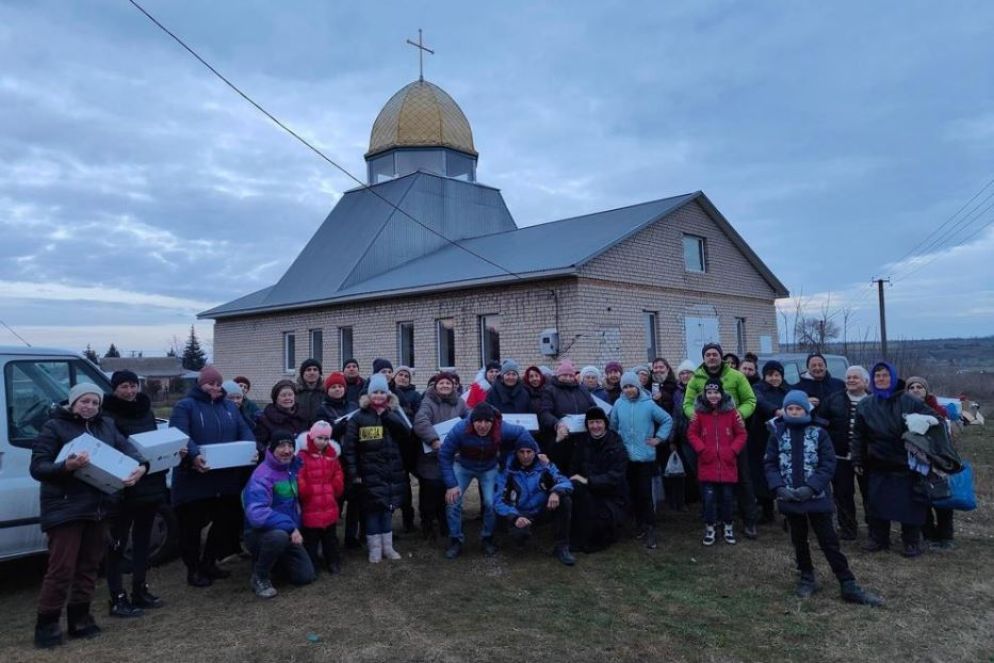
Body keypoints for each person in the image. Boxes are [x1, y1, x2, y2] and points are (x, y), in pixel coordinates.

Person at [30, 383, 147, 648]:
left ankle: (80, 619)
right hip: (65, 508)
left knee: (89, 567)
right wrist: (66, 466)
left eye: (95, 402)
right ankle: (47, 625)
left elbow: (129, 450)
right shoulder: (53, 427)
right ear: (73, 403)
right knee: (61, 569)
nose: (90, 407)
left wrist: (140, 467)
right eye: (85, 401)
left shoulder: (106, 425)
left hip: (99, 507)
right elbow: (39, 467)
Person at [763, 391, 884, 606]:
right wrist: (779, 488)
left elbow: (828, 464)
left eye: (798, 408)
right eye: (790, 408)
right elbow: (770, 463)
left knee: (828, 541)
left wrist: (811, 488)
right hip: (789, 497)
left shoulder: (819, 433)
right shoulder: (777, 434)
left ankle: (847, 582)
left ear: (806, 410)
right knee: (799, 539)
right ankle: (807, 576)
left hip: (816, 497)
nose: (794, 412)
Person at [170, 366, 255, 588]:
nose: (215, 388)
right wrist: (195, 455)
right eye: (210, 384)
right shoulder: (185, 406)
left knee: (224, 521)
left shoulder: (229, 407)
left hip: (225, 477)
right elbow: (180, 435)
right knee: (192, 526)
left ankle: (210, 562)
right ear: (200, 384)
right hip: (195, 476)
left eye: (218, 384)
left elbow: (244, 430)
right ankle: (193, 568)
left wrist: (250, 447)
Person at [852, 362, 937, 558]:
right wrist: (857, 459)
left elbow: (934, 420)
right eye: (877, 376)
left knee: (910, 505)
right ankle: (879, 539)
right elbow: (858, 435)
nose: (881, 379)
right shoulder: (866, 404)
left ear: (893, 377)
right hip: (878, 462)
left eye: (885, 375)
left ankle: (911, 542)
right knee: (877, 504)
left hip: (906, 463)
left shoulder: (909, 401)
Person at [102, 371, 168, 618]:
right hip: (123, 485)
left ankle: (140, 588)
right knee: (118, 544)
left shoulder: (146, 411)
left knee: (143, 542)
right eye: (124, 387)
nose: (130, 391)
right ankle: (117, 596)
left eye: (133, 386)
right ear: (115, 389)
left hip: (150, 481)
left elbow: (155, 442)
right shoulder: (107, 415)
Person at [439, 403, 537, 559]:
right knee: (453, 500)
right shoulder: (460, 428)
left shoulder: (502, 428)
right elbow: (444, 455)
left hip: (489, 467)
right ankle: (455, 540)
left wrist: (537, 452)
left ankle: (487, 538)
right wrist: (451, 485)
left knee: (492, 503)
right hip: (463, 465)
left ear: (493, 422)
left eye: (487, 422)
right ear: (472, 421)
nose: (483, 426)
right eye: (479, 421)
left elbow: (522, 433)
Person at [682, 343, 757, 537]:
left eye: (715, 354)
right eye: (708, 354)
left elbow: (750, 400)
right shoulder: (696, 378)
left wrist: (740, 413)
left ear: (721, 357)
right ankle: (711, 518)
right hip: (708, 439)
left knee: (744, 478)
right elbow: (688, 403)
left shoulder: (736, 376)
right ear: (704, 358)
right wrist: (693, 416)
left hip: (732, 436)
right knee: (708, 480)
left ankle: (749, 520)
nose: (712, 357)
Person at [342, 374, 410, 563]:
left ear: (388, 394)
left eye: (382, 392)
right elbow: (350, 447)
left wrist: (388, 416)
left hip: (390, 470)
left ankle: (388, 547)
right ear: (369, 395)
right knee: (372, 510)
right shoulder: (358, 418)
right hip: (368, 472)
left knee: (387, 509)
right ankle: (374, 548)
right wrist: (354, 473)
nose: (379, 396)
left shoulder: (394, 414)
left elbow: (406, 435)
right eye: (375, 392)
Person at [243, 429, 316, 598]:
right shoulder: (262, 475)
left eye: (290, 445)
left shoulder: (294, 468)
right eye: (281, 446)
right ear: (271, 448)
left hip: (289, 532)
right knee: (278, 537)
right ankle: (259, 576)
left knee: (305, 576)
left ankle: (274, 561)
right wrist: (291, 528)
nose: (286, 450)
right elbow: (257, 514)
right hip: (261, 533)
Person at [609, 371, 672, 549]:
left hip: (645, 457)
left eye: (632, 386)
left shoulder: (649, 404)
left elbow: (667, 419)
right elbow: (613, 426)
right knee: (631, 492)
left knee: (645, 494)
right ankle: (639, 524)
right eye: (626, 387)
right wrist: (617, 443)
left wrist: (659, 438)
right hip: (626, 458)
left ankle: (650, 526)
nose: (629, 390)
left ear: (638, 387)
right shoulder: (619, 404)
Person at [494, 437, 576, 566]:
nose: (525, 456)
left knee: (565, 500)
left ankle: (562, 547)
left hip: (542, 510)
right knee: (519, 537)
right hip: (520, 513)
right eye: (521, 452)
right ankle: (515, 535)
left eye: (529, 452)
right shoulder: (507, 470)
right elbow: (498, 500)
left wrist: (556, 492)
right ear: (516, 453)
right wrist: (515, 517)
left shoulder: (545, 465)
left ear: (535, 452)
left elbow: (566, 482)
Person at [687, 379, 747, 546]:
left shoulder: (731, 413)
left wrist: (732, 450)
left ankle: (728, 525)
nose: (713, 396)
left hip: (728, 464)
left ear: (722, 394)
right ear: (705, 394)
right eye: (710, 392)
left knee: (727, 498)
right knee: (709, 498)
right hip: (707, 463)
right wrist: (701, 449)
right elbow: (692, 434)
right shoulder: (699, 414)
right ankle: (710, 526)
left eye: (716, 392)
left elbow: (741, 434)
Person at [413, 371, 468, 541]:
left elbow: (468, 420)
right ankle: (427, 525)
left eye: (448, 383)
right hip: (430, 457)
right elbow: (421, 422)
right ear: (435, 386)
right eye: (441, 383)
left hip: (452, 456)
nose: (445, 386)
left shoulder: (459, 403)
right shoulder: (428, 402)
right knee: (430, 491)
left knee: (448, 490)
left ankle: (446, 524)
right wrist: (435, 441)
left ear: (453, 386)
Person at [905, 376, 956, 550]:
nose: (916, 389)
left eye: (920, 387)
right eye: (911, 387)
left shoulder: (938, 410)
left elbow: (948, 435)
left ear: (926, 391)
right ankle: (929, 535)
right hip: (914, 462)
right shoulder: (903, 410)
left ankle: (946, 536)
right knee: (921, 500)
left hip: (938, 461)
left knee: (943, 500)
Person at [821, 366, 871, 540]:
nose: (850, 380)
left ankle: (875, 529)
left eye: (855, 378)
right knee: (843, 494)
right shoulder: (833, 399)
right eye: (848, 377)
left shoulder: (874, 401)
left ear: (865, 382)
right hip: (840, 456)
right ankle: (848, 528)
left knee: (869, 494)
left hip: (867, 458)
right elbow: (820, 422)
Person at [569, 407, 629, 552]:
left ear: (605, 423)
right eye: (591, 423)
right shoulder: (582, 443)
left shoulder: (615, 443)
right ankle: (578, 540)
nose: (595, 426)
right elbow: (574, 468)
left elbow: (616, 475)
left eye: (598, 422)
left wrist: (589, 481)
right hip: (587, 489)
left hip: (612, 493)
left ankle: (597, 540)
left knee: (599, 512)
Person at [315, 371, 361, 548]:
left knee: (355, 501)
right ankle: (331, 538)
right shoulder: (323, 409)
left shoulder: (353, 406)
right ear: (327, 390)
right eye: (333, 387)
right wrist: (336, 429)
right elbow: (318, 435)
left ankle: (351, 537)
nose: (337, 389)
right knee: (336, 499)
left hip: (353, 457)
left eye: (340, 386)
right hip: (333, 461)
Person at [296, 421, 345, 574]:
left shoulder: (331, 456)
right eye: (320, 438)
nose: (323, 442)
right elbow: (299, 476)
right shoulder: (302, 456)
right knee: (311, 538)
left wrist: (336, 486)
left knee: (330, 537)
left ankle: (333, 561)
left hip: (329, 502)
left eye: (326, 439)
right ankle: (312, 563)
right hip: (311, 504)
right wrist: (306, 491)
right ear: (312, 436)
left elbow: (338, 472)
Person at [748, 361, 790, 525]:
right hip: (761, 438)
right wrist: (776, 411)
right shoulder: (758, 389)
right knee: (762, 474)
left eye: (777, 375)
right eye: (770, 375)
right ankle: (766, 511)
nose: (774, 378)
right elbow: (758, 402)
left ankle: (788, 512)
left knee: (785, 473)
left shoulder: (788, 390)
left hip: (785, 439)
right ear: (765, 376)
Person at [539, 360, 596, 475]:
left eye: (570, 375)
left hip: (582, 441)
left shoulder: (582, 390)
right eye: (564, 375)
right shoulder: (549, 390)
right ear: (558, 375)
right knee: (562, 474)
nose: (568, 378)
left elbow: (593, 408)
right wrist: (557, 424)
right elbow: (544, 413)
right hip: (561, 441)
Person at [391, 365, 421, 533]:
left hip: (411, 444)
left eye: (406, 376)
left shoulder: (415, 395)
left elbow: (419, 414)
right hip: (395, 445)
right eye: (400, 375)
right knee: (401, 482)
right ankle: (399, 514)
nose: (403, 378)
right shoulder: (389, 393)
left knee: (409, 482)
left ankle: (409, 518)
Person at [255, 380, 309, 458]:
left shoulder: (303, 414)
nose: (287, 398)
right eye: (283, 395)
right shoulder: (265, 419)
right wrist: (270, 453)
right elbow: (259, 443)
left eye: (290, 395)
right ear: (276, 399)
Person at [796, 353, 845, 419]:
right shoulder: (797, 388)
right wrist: (803, 402)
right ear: (808, 368)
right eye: (813, 365)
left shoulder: (839, 384)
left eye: (820, 365)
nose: (817, 368)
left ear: (825, 366)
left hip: (835, 426)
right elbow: (790, 408)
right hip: (809, 426)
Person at [296, 358, 325, 425]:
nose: (312, 372)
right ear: (302, 374)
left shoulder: (326, 393)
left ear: (319, 373)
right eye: (308, 370)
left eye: (315, 370)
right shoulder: (295, 393)